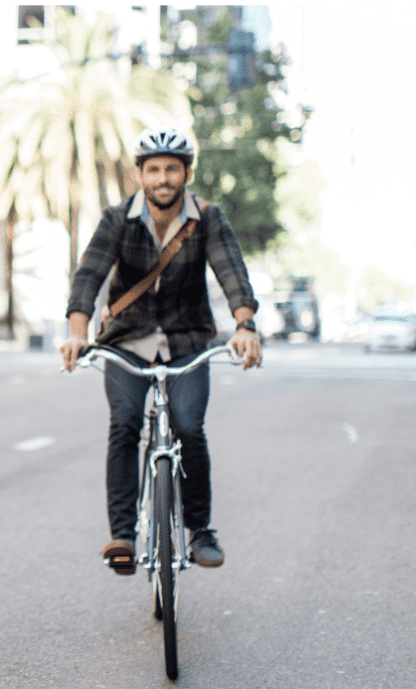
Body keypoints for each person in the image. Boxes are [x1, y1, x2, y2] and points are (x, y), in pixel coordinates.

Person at [59, 127, 262, 575]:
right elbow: (88, 277)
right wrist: (78, 331)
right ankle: (123, 535)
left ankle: (200, 530)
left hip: (188, 341)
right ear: (140, 175)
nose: (163, 178)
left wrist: (245, 325)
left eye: (172, 168)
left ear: (187, 173)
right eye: (154, 169)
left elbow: (232, 272)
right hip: (126, 342)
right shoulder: (117, 219)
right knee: (125, 424)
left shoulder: (208, 218)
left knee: (190, 427)